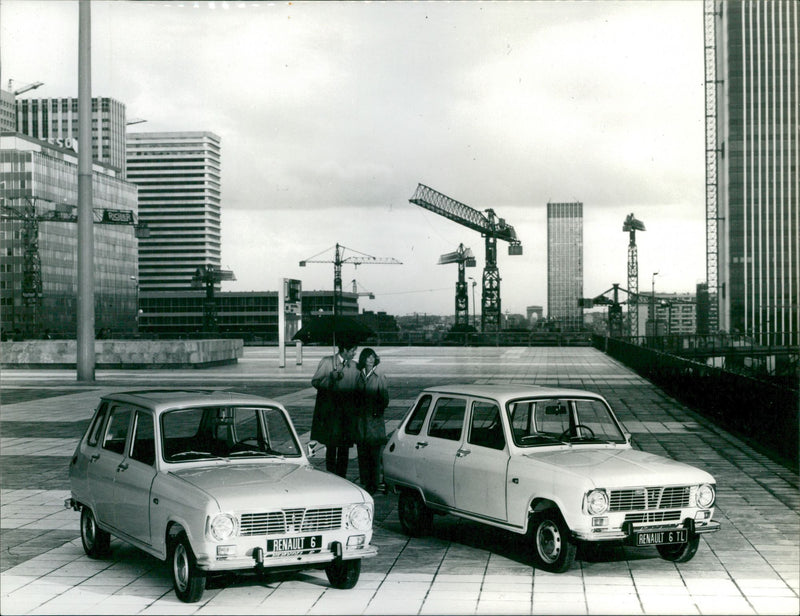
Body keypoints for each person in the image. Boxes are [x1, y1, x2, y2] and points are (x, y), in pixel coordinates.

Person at [310, 342, 359, 477]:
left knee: (344, 447)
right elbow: (315, 382)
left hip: (346, 412)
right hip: (331, 412)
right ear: (344, 349)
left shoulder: (354, 366)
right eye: (352, 351)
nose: (354, 354)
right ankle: (331, 475)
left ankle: (342, 476)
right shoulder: (327, 362)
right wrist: (330, 378)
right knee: (331, 446)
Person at [354, 348, 389, 494]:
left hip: (374, 421)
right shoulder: (359, 376)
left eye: (373, 357)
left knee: (375, 454)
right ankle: (366, 481)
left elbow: (385, 398)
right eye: (368, 357)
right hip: (361, 422)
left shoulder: (379, 376)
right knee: (362, 453)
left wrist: (377, 409)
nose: (371, 359)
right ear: (363, 359)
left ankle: (374, 483)